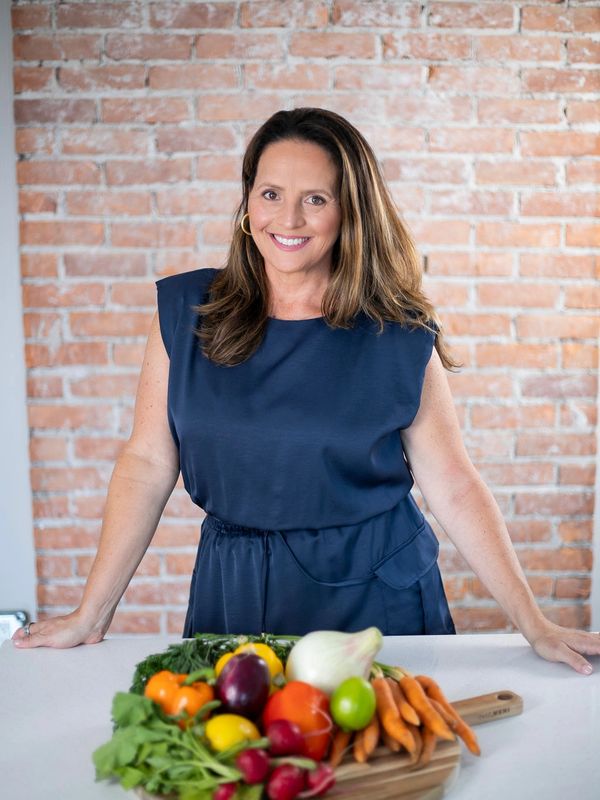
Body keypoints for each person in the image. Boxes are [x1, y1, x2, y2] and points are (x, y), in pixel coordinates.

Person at [12, 107, 600, 675]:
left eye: (315, 199)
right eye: (270, 194)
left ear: (350, 213)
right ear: (247, 202)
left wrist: (533, 622)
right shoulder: (188, 312)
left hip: (371, 598)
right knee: (236, 760)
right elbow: (146, 462)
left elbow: (453, 483)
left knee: (381, 768)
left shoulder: (397, 333)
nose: (287, 219)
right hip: (232, 588)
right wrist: (92, 613)